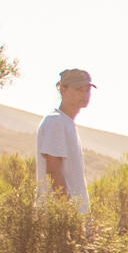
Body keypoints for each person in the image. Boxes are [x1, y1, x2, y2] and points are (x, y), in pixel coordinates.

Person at [37, 68, 93, 209]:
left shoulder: (66, 123)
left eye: (87, 90)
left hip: (69, 218)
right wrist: (68, 215)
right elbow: (54, 171)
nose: (84, 94)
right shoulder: (55, 121)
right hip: (59, 219)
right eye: (79, 89)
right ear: (63, 89)